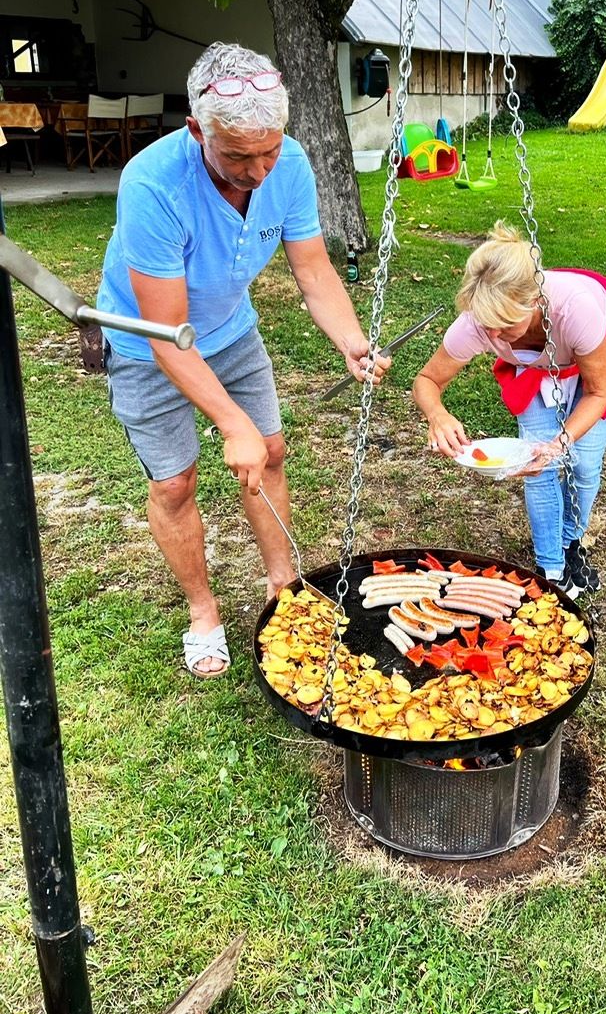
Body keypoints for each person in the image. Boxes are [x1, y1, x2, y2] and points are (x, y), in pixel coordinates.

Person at [97, 43, 389, 677]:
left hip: (230, 330)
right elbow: (166, 332)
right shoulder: (152, 184)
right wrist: (232, 424)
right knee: (175, 482)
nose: (259, 171)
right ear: (197, 128)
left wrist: (350, 339)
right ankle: (204, 613)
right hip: (150, 345)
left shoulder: (290, 165)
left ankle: (283, 586)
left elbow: (312, 269)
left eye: (270, 151)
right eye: (236, 156)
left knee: (272, 451)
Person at [413, 223, 606, 597]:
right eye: (488, 327)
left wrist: (558, 443)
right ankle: (551, 568)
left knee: (581, 459)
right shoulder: (479, 323)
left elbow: (599, 392)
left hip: (604, 345)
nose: (494, 337)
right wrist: (437, 415)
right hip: (538, 364)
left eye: (503, 325)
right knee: (536, 464)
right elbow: (427, 381)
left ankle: (571, 543)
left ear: (532, 300)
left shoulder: (574, 308)